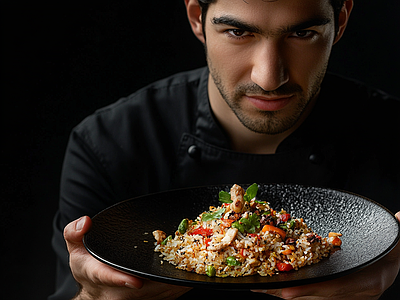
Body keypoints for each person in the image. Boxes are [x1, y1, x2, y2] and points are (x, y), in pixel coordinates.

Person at [49, 0, 400, 299]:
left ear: (339, 22)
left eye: (301, 34)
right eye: (238, 32)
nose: (268, 77)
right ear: (195, 18)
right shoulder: (107, 142)